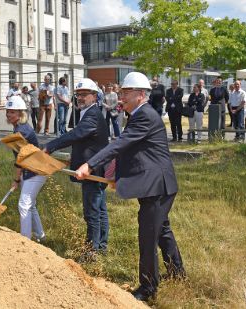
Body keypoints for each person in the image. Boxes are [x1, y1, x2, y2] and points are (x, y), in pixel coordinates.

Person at [75, 72, 185, 302]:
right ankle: (177, 274)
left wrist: (90, 164)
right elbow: (130, 151)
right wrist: (116, 174)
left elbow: (120, 144)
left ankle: (147, 289)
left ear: (141, 95)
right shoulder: (136, 115)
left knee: (148, 236)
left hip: (158, 186)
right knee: (162, 230)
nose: (121, 97)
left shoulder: (144, 115)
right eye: (121, 92)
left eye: (125, 93)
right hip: (154, 184)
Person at [44, 78, 109, 260]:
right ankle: (101, 246)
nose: (80, 98)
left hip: (93, 170)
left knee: (92, 212)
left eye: (84, 94)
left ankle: (91, 252)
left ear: (94, 96)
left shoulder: (92, 114)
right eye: (78, 94)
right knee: (100, 208)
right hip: (93, 166)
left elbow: (76, 134)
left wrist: (50, 147)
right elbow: (86, 141)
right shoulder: (87, 112)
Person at [5, 96, 47, 241]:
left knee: (24, 205)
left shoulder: (22, 132)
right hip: (30, 170)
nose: (9, 115)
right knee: (30, 205)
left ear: (21, 114)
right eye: (8, 112)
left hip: (36, 171)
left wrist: (16, 179)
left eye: (13, 112)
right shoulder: (19, 128)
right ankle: (40, 235)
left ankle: (25, 240)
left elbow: (20, 160)